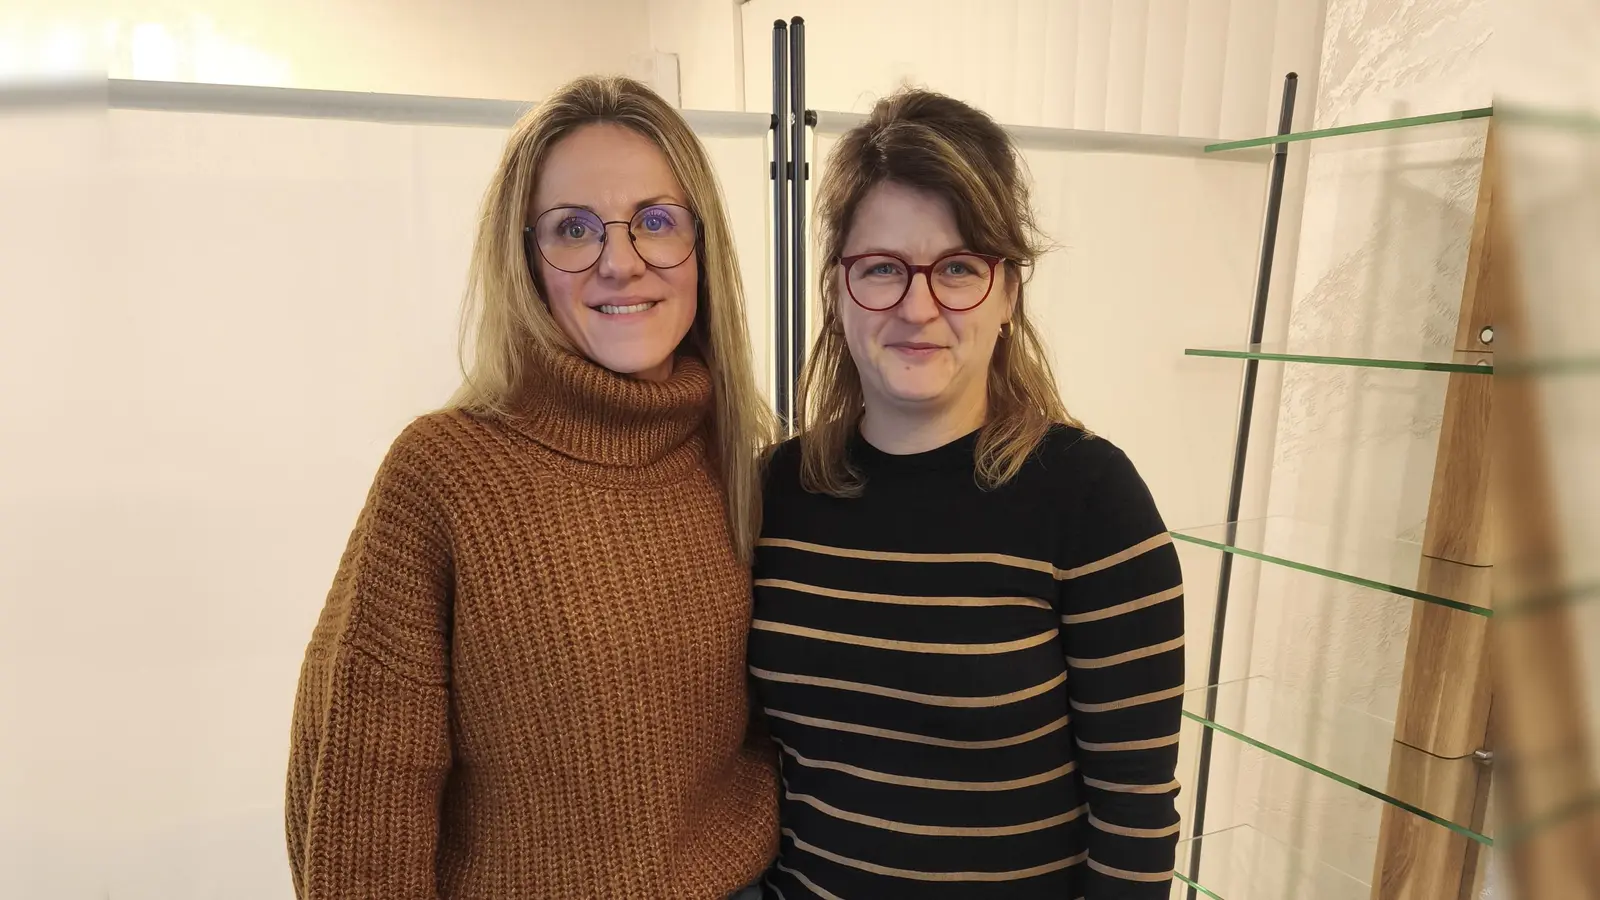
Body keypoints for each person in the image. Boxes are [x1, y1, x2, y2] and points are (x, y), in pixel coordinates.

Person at [285, 75, 777, 900]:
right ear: (524, 260)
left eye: (656, 221)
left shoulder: (734, 456)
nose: (620, 262)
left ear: (702, 246)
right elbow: (359, 810)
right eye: (573, 230)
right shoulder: (444, 474)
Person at [749, 88, 1185, 899]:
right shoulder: (777, 490)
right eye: (882, 269)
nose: (918, 308)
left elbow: (1134, 819)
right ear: (837, 292)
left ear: (1008, 292)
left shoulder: (1092, 498)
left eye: (957, 269)